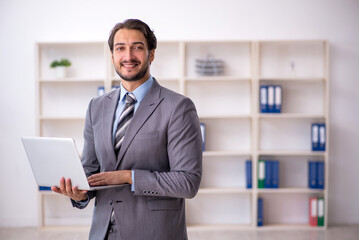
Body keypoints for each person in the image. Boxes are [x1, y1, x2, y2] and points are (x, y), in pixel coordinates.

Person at [51, 19, 202, 240]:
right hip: (103, 232)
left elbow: (187, 183)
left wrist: (129, 177)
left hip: (154, 232)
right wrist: (80, 193)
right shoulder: (97, 107)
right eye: (120, 48)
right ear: (112, 55)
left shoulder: (178, 107)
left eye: (137, 47)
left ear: (151, 54)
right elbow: (91, 171)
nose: (128, 56)